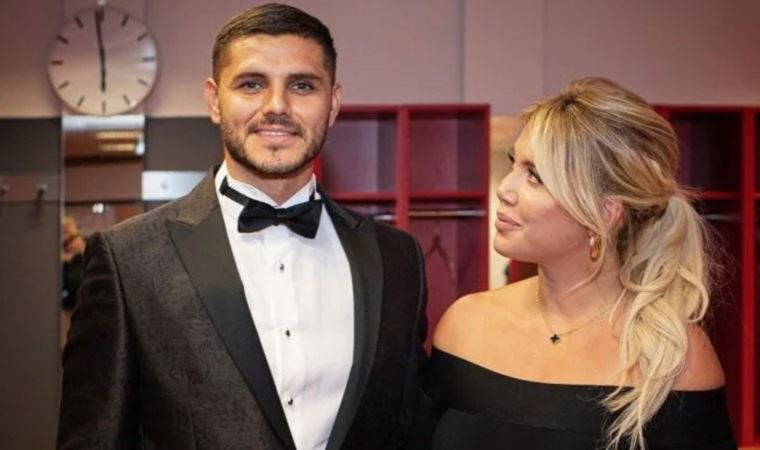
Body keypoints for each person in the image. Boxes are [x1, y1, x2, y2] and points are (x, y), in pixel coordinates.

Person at [58, 4, 427, 449]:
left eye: (302, 85)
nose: (277, 107)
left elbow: (410, 430)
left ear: (332, 103)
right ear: (214, 100)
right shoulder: (128, 259)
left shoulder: (396, 259)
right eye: (251, 84)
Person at [412, 77, 736, 449]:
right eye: (514, 164)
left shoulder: (674, 358)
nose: (505, 189)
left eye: (535, 176)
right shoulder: (465, 324)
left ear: (605, 213)